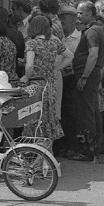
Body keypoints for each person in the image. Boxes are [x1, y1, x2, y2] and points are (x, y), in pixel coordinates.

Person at [18, 15, 71, 151]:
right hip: (50, 84)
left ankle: (36, 155)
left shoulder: (32, 43)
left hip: (36, 85)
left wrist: (25, 77)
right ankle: (48, 155)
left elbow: (30, 65)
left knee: (34, 118)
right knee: (48, 118)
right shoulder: (54, 42)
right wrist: (55, 68)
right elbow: (70, 56)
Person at [68, 0, 104, 160]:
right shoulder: (95, 30)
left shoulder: (92, 32)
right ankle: (95, 146)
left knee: (87, 112)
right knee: (92, 110)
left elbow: (94, 55)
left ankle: (88, 150)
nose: (78, 16)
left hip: (87, 76)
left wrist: (84, 77)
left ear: (89, 14)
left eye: (80, 13)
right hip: (92, 76)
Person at [56, 5, 81, 155]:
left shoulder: (79, 38)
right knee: (60, 113)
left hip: (71, 78)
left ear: (72, 21)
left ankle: (71, 145)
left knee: (70, 113)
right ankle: (62, 145)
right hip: (60, 78)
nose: (61, 23)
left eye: (63, 20)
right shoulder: (59, 38)